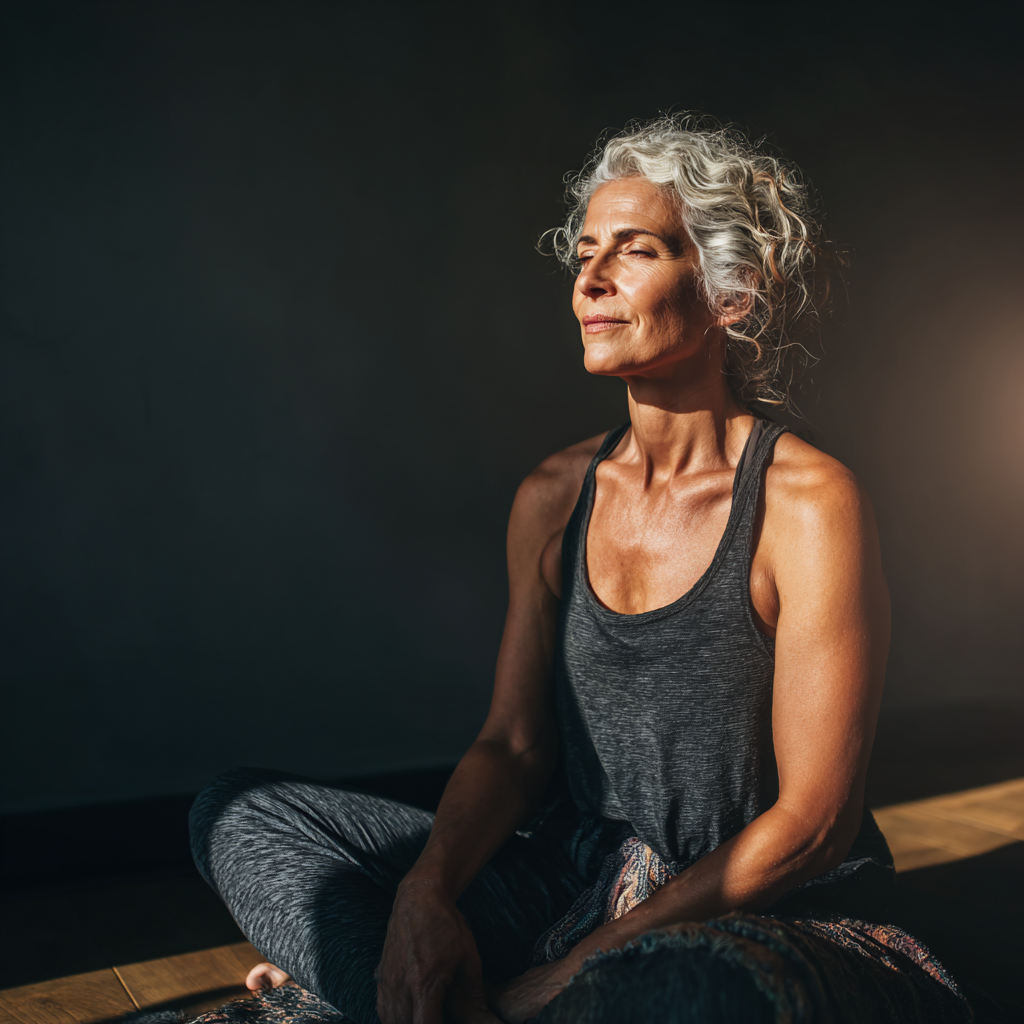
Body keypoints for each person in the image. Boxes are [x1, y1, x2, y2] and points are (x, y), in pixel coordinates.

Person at [190, 117, 970, 1024]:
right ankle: (417, 985)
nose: (590, 280)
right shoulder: (554, 497)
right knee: (236, 815)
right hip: (575, 881)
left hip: (760, 908)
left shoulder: (806, 504)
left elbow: (813, 826)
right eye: (585, 252)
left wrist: (571, 971)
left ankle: (388, 998)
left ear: (732, 294)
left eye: (633, 252)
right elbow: (513, 746)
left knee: (689, 990)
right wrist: (421, 902)